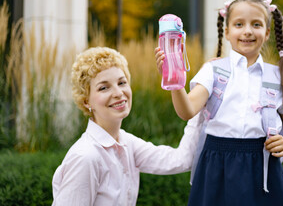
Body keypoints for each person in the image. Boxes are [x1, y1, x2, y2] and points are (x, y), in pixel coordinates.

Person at [155, 0, 283, 205]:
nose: (248, 30)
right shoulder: (212, 71)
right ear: (227, 32)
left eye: (256, 24)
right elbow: (186, 111)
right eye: (239, 24)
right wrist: (175, 81)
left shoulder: (278, 76)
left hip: (263, 168)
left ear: (267, 32)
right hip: (217, 166)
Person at [52, 46, 202, 206]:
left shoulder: (127, 143)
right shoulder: (86, 157)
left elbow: (182, 160)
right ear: (86, 101)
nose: (118, 93)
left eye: (122, 83)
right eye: (104, 87)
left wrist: (200, 105)